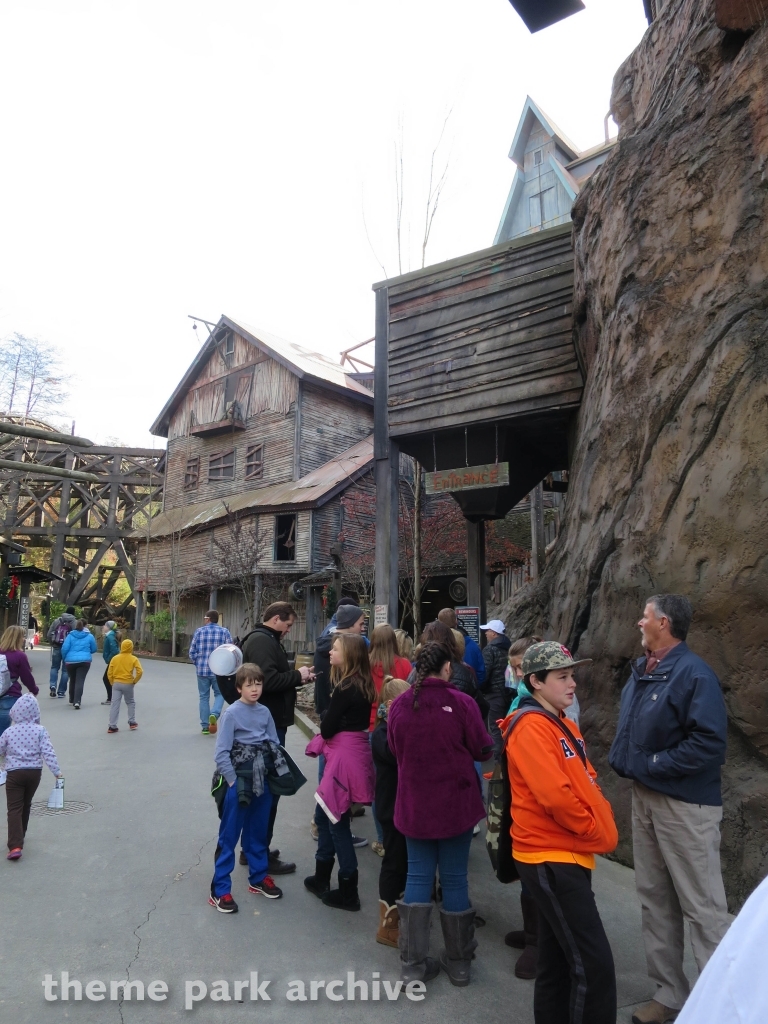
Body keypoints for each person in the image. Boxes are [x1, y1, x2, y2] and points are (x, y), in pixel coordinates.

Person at [609, 595, 729, 1024]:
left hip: (685, 806)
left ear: (663, 622)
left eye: (644, 615)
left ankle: (719, 1005)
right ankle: (669, 995)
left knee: (703, 909)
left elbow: (709, 744)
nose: (639, 621)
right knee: (655, 900)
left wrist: (653, 765)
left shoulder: (695, 674)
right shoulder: (643, 670)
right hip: (646, 798)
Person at [504, 641, 618, 1024]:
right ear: (535, 681)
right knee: (593, 965)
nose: (572, 684)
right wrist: (592, 829)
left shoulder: (559, 721)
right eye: (563, 676)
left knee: (555, 962)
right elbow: (555, 796)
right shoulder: (532, 726)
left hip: (562, 855)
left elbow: (579, 779)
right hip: (551, 856)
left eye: (573, 675)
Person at [388, 641, 493, 987]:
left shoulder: (401, 705)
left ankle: (412, 963)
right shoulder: (462, 703)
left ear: (418, 668)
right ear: (447, 668)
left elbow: (394, 749)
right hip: (456, 806)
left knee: (417, 877)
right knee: (455, 878)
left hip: (415, 805)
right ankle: (460, 961)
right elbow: (481, 747)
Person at [304, 633, 375, 911]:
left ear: (349, 655)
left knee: (337, 823)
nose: (330, 652)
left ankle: (348, 891)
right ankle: (322, 877)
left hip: (342, 759)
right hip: (353, 753)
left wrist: (327, 718)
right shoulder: (363, 683)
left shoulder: (346, 687)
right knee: (325, 816)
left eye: (335, 649)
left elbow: (328, 727)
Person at [242, 602, 314, 875]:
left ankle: (252, 849)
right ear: (275, 619)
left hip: (268, 724)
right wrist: (298, 675)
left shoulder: (265, 639)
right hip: (268, 727)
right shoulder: (262, 642)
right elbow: (267, 681)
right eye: (288, 624)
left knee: (264, 790)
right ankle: (257, 853)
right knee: (268, 791)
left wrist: (297, 677)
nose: (288, 630)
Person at [209, 663, 283, 912]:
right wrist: (232, 781)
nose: (255, 689)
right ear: (239, 687)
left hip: (262, 781)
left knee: (258, 832)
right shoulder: (231, 714)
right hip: (238, 781)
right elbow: (221, 753)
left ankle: (259, 877)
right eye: (249, 684)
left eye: (258, 683)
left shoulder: (265, 712)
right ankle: (220, 890)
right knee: (229, 836)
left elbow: (273, 743)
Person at [501, 633, 543, 979]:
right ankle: (532, 934)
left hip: (538, 802)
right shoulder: (521, 698)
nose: (515, 675)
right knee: (526, 872)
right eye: (514, 668)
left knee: (538, 877)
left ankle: (540, 944)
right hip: (520, 797)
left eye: (519, 668)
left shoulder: (547, 702)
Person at [371, 676, 410, 946]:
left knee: (406, 862)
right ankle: (387, 925)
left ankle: (406, 913)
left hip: (404, 806)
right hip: (390, 807)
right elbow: (398, 753)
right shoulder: (382, 733)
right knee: (394, 864)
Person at [1, 693, 62, 860]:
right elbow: (48, 752)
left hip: (14, 774)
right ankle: (21, 834)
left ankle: (15, 846)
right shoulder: (40, 730)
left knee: (14, 808)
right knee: (26, 804)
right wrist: (57, 772)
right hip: (34, 773)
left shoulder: (9, 732)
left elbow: (0, 750)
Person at [313, 603, 366, 718]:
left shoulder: (325, 643)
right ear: (349, 624)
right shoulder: (345, 649)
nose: (363, 629)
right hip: (339, 714)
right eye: (360, 624)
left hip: (326, 709)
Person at [188, 609, 232, 736]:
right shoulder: (225, 632)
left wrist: (198, 663)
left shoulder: (199, 631)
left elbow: (192, 652)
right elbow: (230, 651)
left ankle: (205, 726)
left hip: (202, 670)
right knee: (220, 694)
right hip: (219, 670)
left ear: (207, 619)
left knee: (203, 697)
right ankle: (214, 713)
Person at [480, 618, 511, 760]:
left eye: (488, 631)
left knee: (495, 729)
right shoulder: (508, 648)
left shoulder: (489, 649)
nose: (485, 633)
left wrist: (481, 689)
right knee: (506, 728)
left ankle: (499, 764)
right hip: (509, 694)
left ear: (494, 633)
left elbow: (484, 673)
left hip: (494, 694)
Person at [0, 625, 39, 737]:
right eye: (22, 636)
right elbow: (26, 677)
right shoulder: (19, 656)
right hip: (9, 694)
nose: (24, 639)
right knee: (2, 730)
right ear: (17, 638)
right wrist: (34, 690)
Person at [438, 608, 485, 686]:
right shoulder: (472, 645)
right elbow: (481, 673)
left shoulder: (434, 647)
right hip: (469, 692)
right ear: (456, 621)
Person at [107, 639, 143, 733]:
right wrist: (134, 681)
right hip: (128, 683)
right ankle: (132, 722)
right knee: (130, 702)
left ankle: (112, 725)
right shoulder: (133, 658)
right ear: (131, 647)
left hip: (116, 683)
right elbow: (140, 671)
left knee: (115, 704)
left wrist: (112, 682)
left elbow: (109, 672)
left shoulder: (115, 658)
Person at [61, 620, 97, 709]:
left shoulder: (70, 635)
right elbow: (94, 649)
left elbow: (64, 648)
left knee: (72, 679)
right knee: (80, 681)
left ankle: (71, 699)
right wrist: (87, 652)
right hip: (84, 661)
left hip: (70, 662)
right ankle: (77, 701)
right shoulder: (89, 636)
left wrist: (65, 658)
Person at [47, 605, 77, 698]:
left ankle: (52, 686)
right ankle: (61, 691)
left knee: (54, 667)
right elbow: (75, 636)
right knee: (65, 670)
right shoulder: (75, 623)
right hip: (68, 649)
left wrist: (52, 643)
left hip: (57, 646)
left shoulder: (57, 621)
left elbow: (49, 634)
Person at [101, 621, 119, 705]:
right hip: (113, 661)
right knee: (109, 678)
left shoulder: (110, 637)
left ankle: (110, 698)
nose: (103, 627)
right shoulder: (109, 636)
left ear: (109, 627)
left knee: (106, 678)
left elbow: (115, 650)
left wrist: (108, 659)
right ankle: (112, 697)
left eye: (105, 625)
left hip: (113, 661)